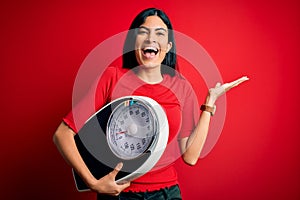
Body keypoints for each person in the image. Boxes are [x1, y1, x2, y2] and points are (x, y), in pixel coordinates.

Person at [53, 7, 248, 200]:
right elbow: (62, 134)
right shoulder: (112, 78)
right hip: (120, 195)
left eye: (160, 33)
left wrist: (209, 104)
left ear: (169, 46)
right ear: (133, 42)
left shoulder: (181, 87)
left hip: (166, 194)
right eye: (143, 32)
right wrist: (92, 183)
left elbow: (190, 157)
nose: (150, 39)